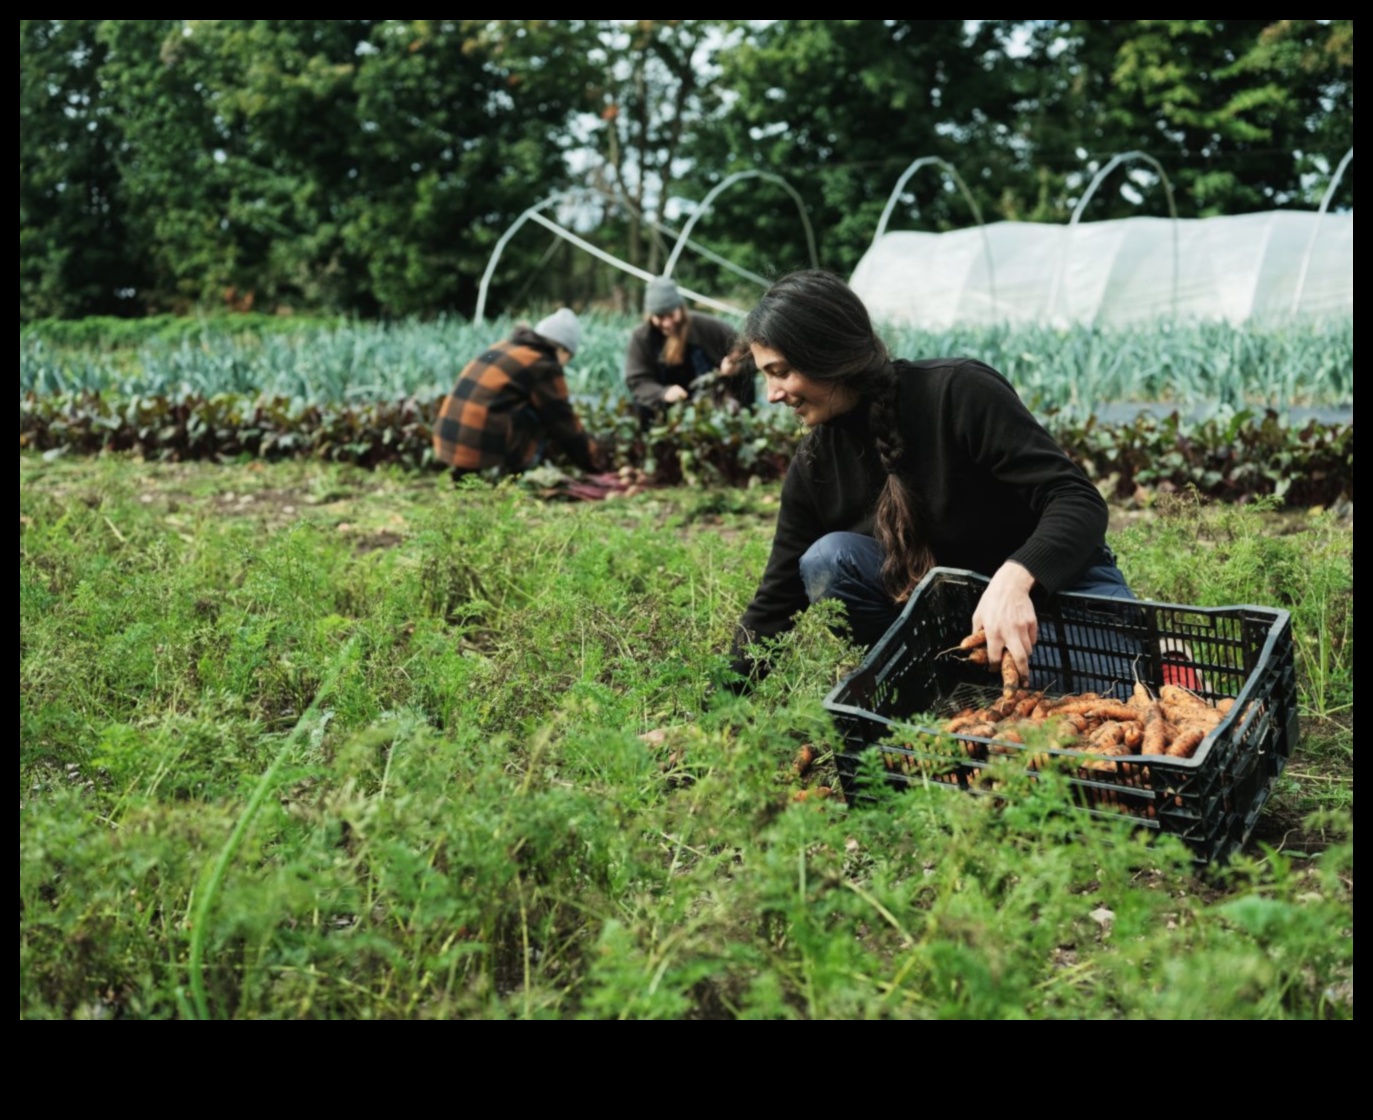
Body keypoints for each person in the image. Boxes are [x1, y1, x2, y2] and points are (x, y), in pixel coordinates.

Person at [728, 270, 1133, 689]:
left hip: (1060, 598)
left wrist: (1015, 578)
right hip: (962, 624)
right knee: (828, 560)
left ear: (826, 353)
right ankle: (945, 680)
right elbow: (776, 600)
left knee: (1119, 694)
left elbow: (1076, 499)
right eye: (765, 375)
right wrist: (715, 712)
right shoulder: (815, 465)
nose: (773, 393)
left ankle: (1006, 677)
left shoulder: (956, 391)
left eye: (781, 371)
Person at [432, 307, 600, 480]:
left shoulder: (506, 347)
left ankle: (465, 473)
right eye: (569, 357)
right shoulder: (543, 364)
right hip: (476, 451)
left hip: (447, 444)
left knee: (521, 403)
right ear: (562, 350)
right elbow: (563, 421)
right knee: (540, 414)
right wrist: (594, 463)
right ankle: (512, 474)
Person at [624, 276, 757, 423]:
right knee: (642, 406)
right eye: (660, 317)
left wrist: (736, 367)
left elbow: (750, 354)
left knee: (745, 384)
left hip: (713, 405)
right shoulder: (642, 338)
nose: (667, 323)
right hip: (668, 411)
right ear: (650, 316)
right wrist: (663, 393)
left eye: (671, 315)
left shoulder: (708, 327)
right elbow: (637, 380)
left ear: (680, 308)